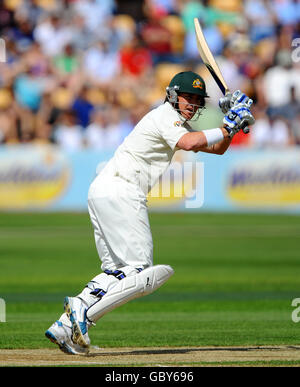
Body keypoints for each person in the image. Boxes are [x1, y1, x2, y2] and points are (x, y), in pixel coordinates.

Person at [45, 70, 255, 354]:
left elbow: (216, 149)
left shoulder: (174, 122)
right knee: (140, 271)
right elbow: (189, 143)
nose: (192, 104)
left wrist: (229, 126)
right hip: (123, 190)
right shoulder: (165, 115)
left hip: (104, 189)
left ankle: (63, 326)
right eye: (187, 98)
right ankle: (83, 313)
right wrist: (229, 124)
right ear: (172, 96)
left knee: (116, 271)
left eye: (196, 99)